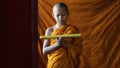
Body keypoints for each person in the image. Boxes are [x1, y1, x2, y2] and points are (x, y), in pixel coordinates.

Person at [42, 2, 82, 68]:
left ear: (68, 14)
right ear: (53, 16)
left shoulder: (73, 30)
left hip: (68, 64)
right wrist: (57, 45)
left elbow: (79, 50)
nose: (60, 18)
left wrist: (66, 45)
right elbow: (44, 51)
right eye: (58, 15)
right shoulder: (50, 30)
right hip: (53, 64)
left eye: (63, 15)